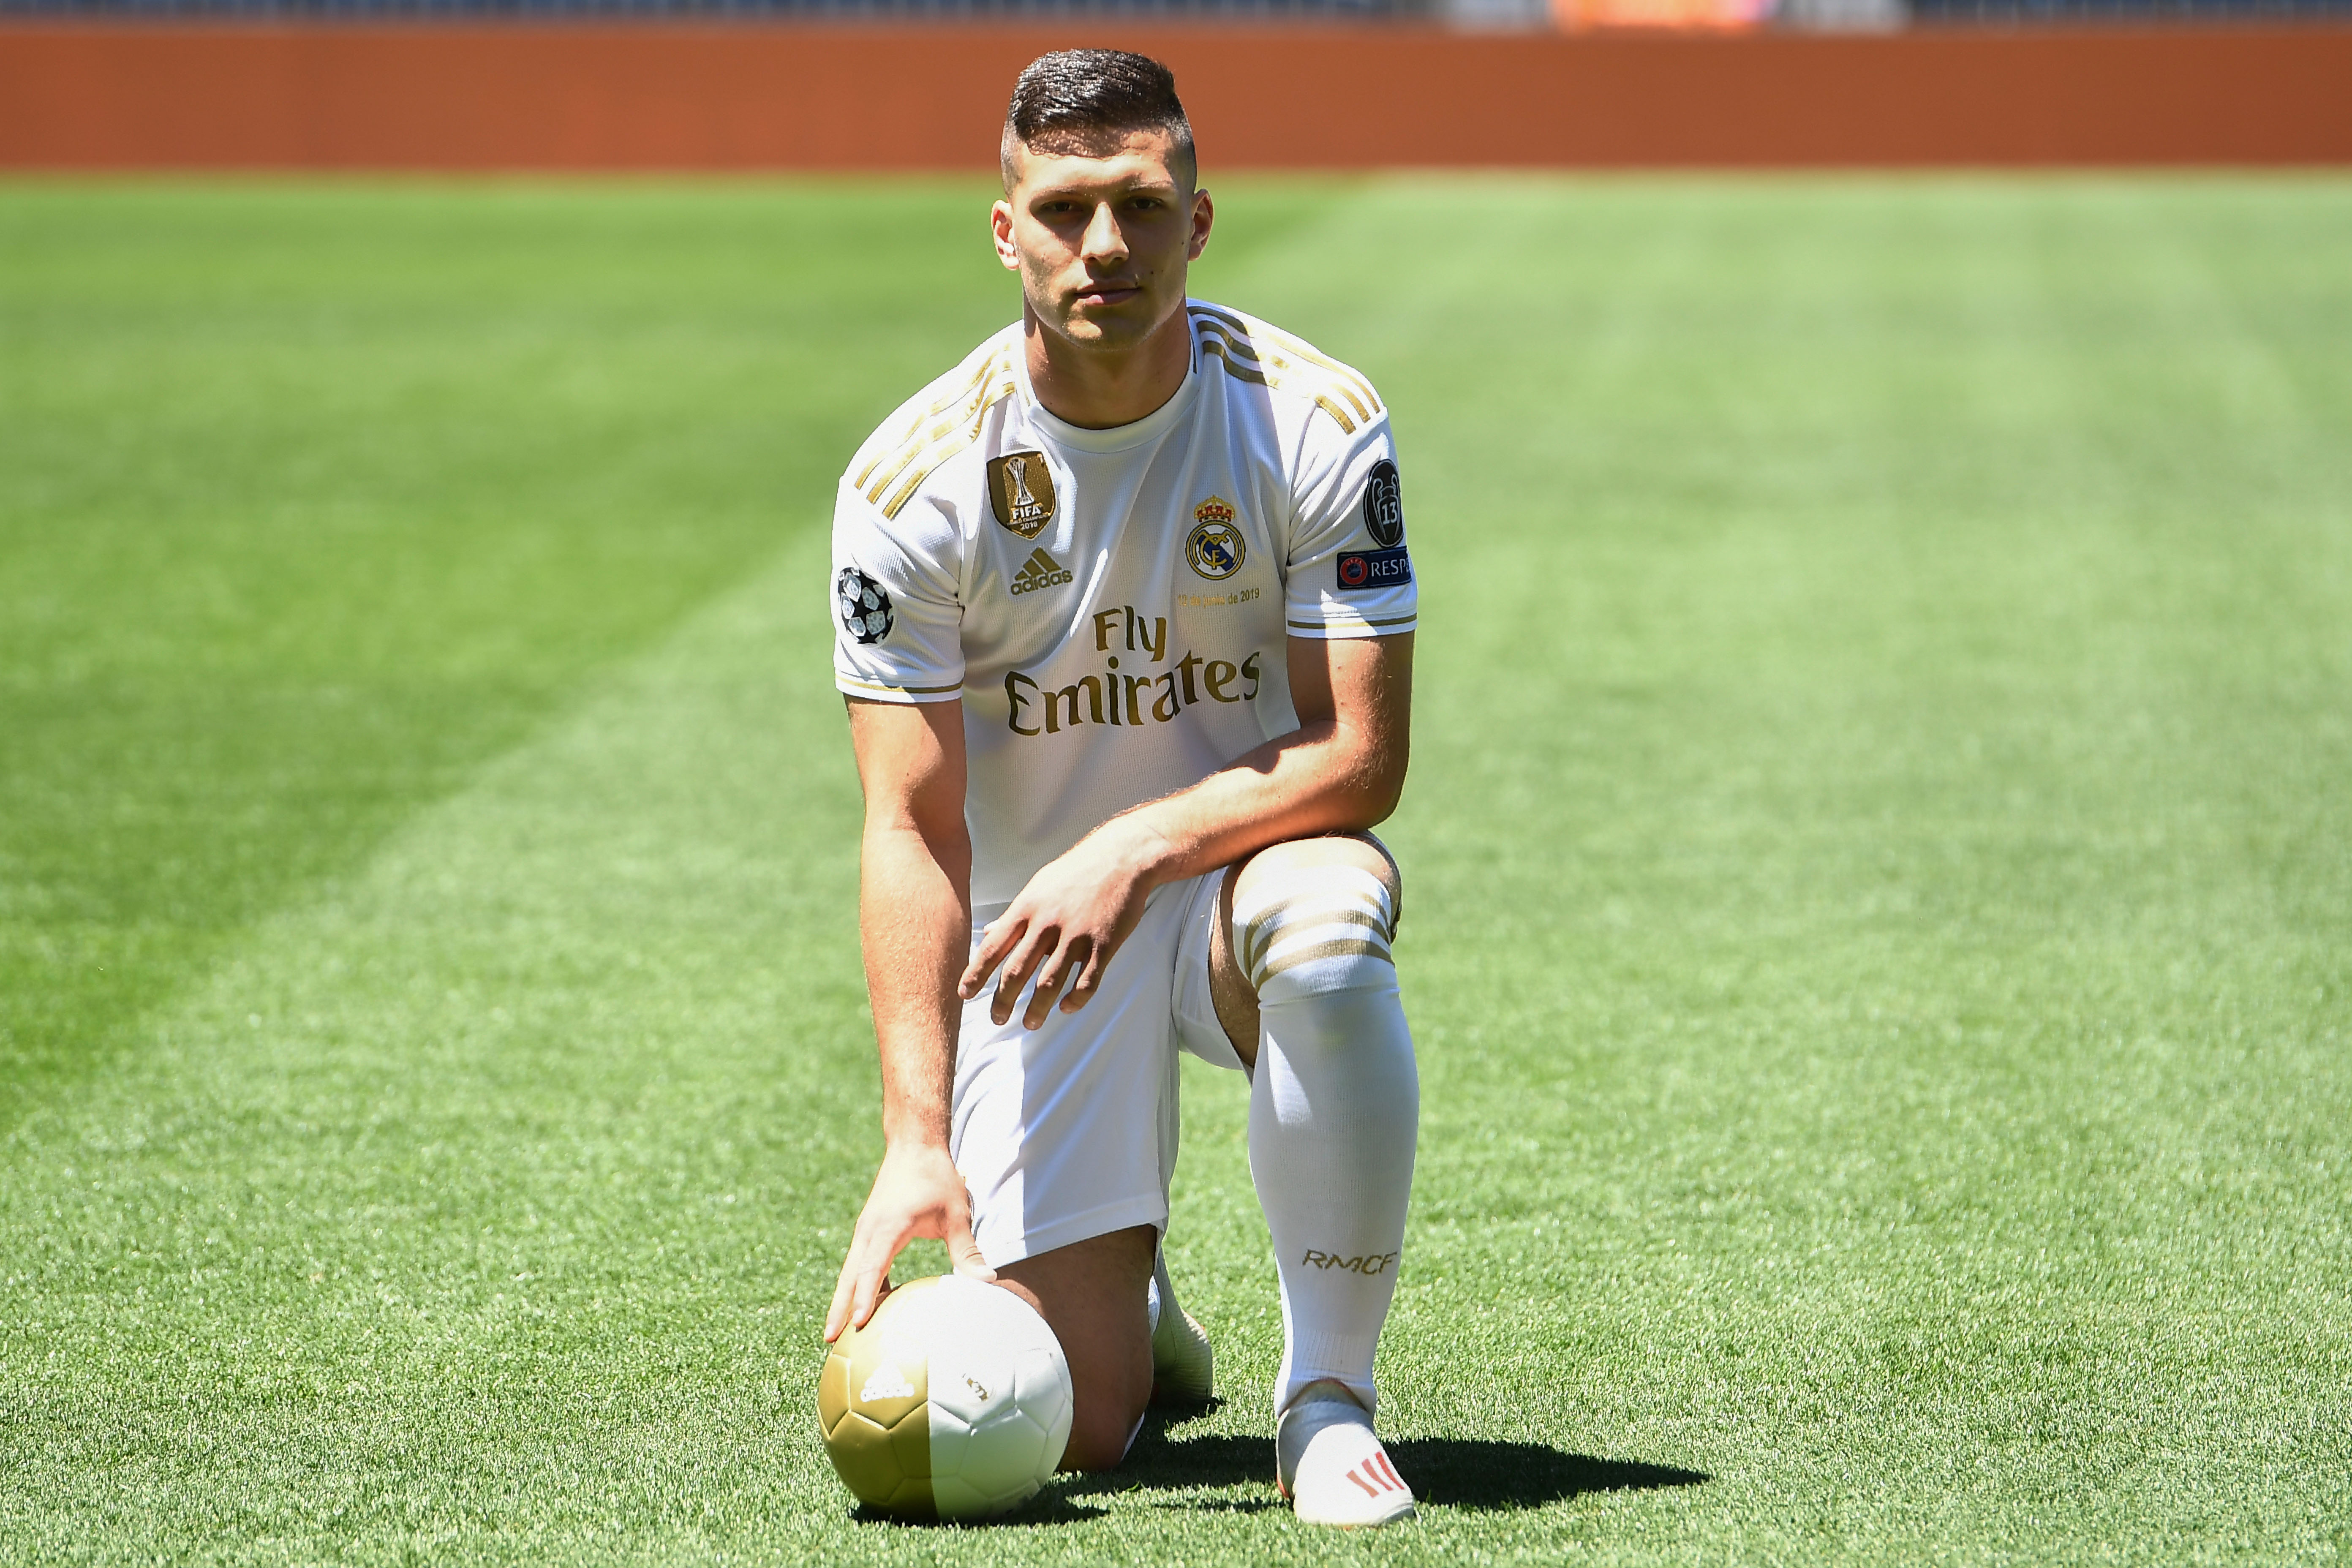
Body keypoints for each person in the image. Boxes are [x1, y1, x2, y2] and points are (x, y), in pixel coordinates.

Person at [821, 48, 1422, 1528]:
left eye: (1142, 206)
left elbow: (1362, 757)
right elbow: (910, 825)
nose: (1105, 246)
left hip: (1231, 885)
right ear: (1006, 230)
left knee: (1328, 919)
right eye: (1066, 209)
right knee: (1079, 1425)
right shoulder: (912, 485)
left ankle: (1327, 1401)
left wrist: (1138, 850)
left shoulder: (1314, 418)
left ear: (1198, 221)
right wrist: (916, 1139)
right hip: (1038, 945)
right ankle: (1134, 1306)